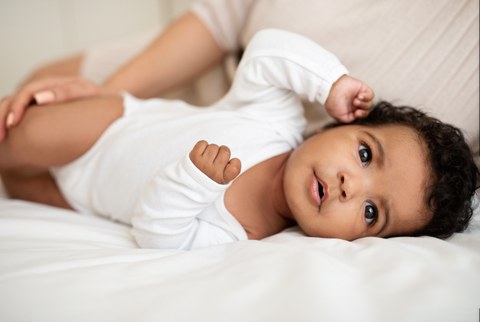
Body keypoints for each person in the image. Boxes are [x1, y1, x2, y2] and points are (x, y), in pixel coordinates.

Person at [0, 29, 477, 250]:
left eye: (372, 213)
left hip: (84, 199)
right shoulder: (275, 121)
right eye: (365, 153)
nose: (353, 186)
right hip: (108, 127)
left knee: (17, 183)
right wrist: (330, 82)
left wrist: (193, 182)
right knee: (17, 134)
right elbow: (266, 52)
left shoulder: (245, 236)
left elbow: (155, 233)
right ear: (340, 124)